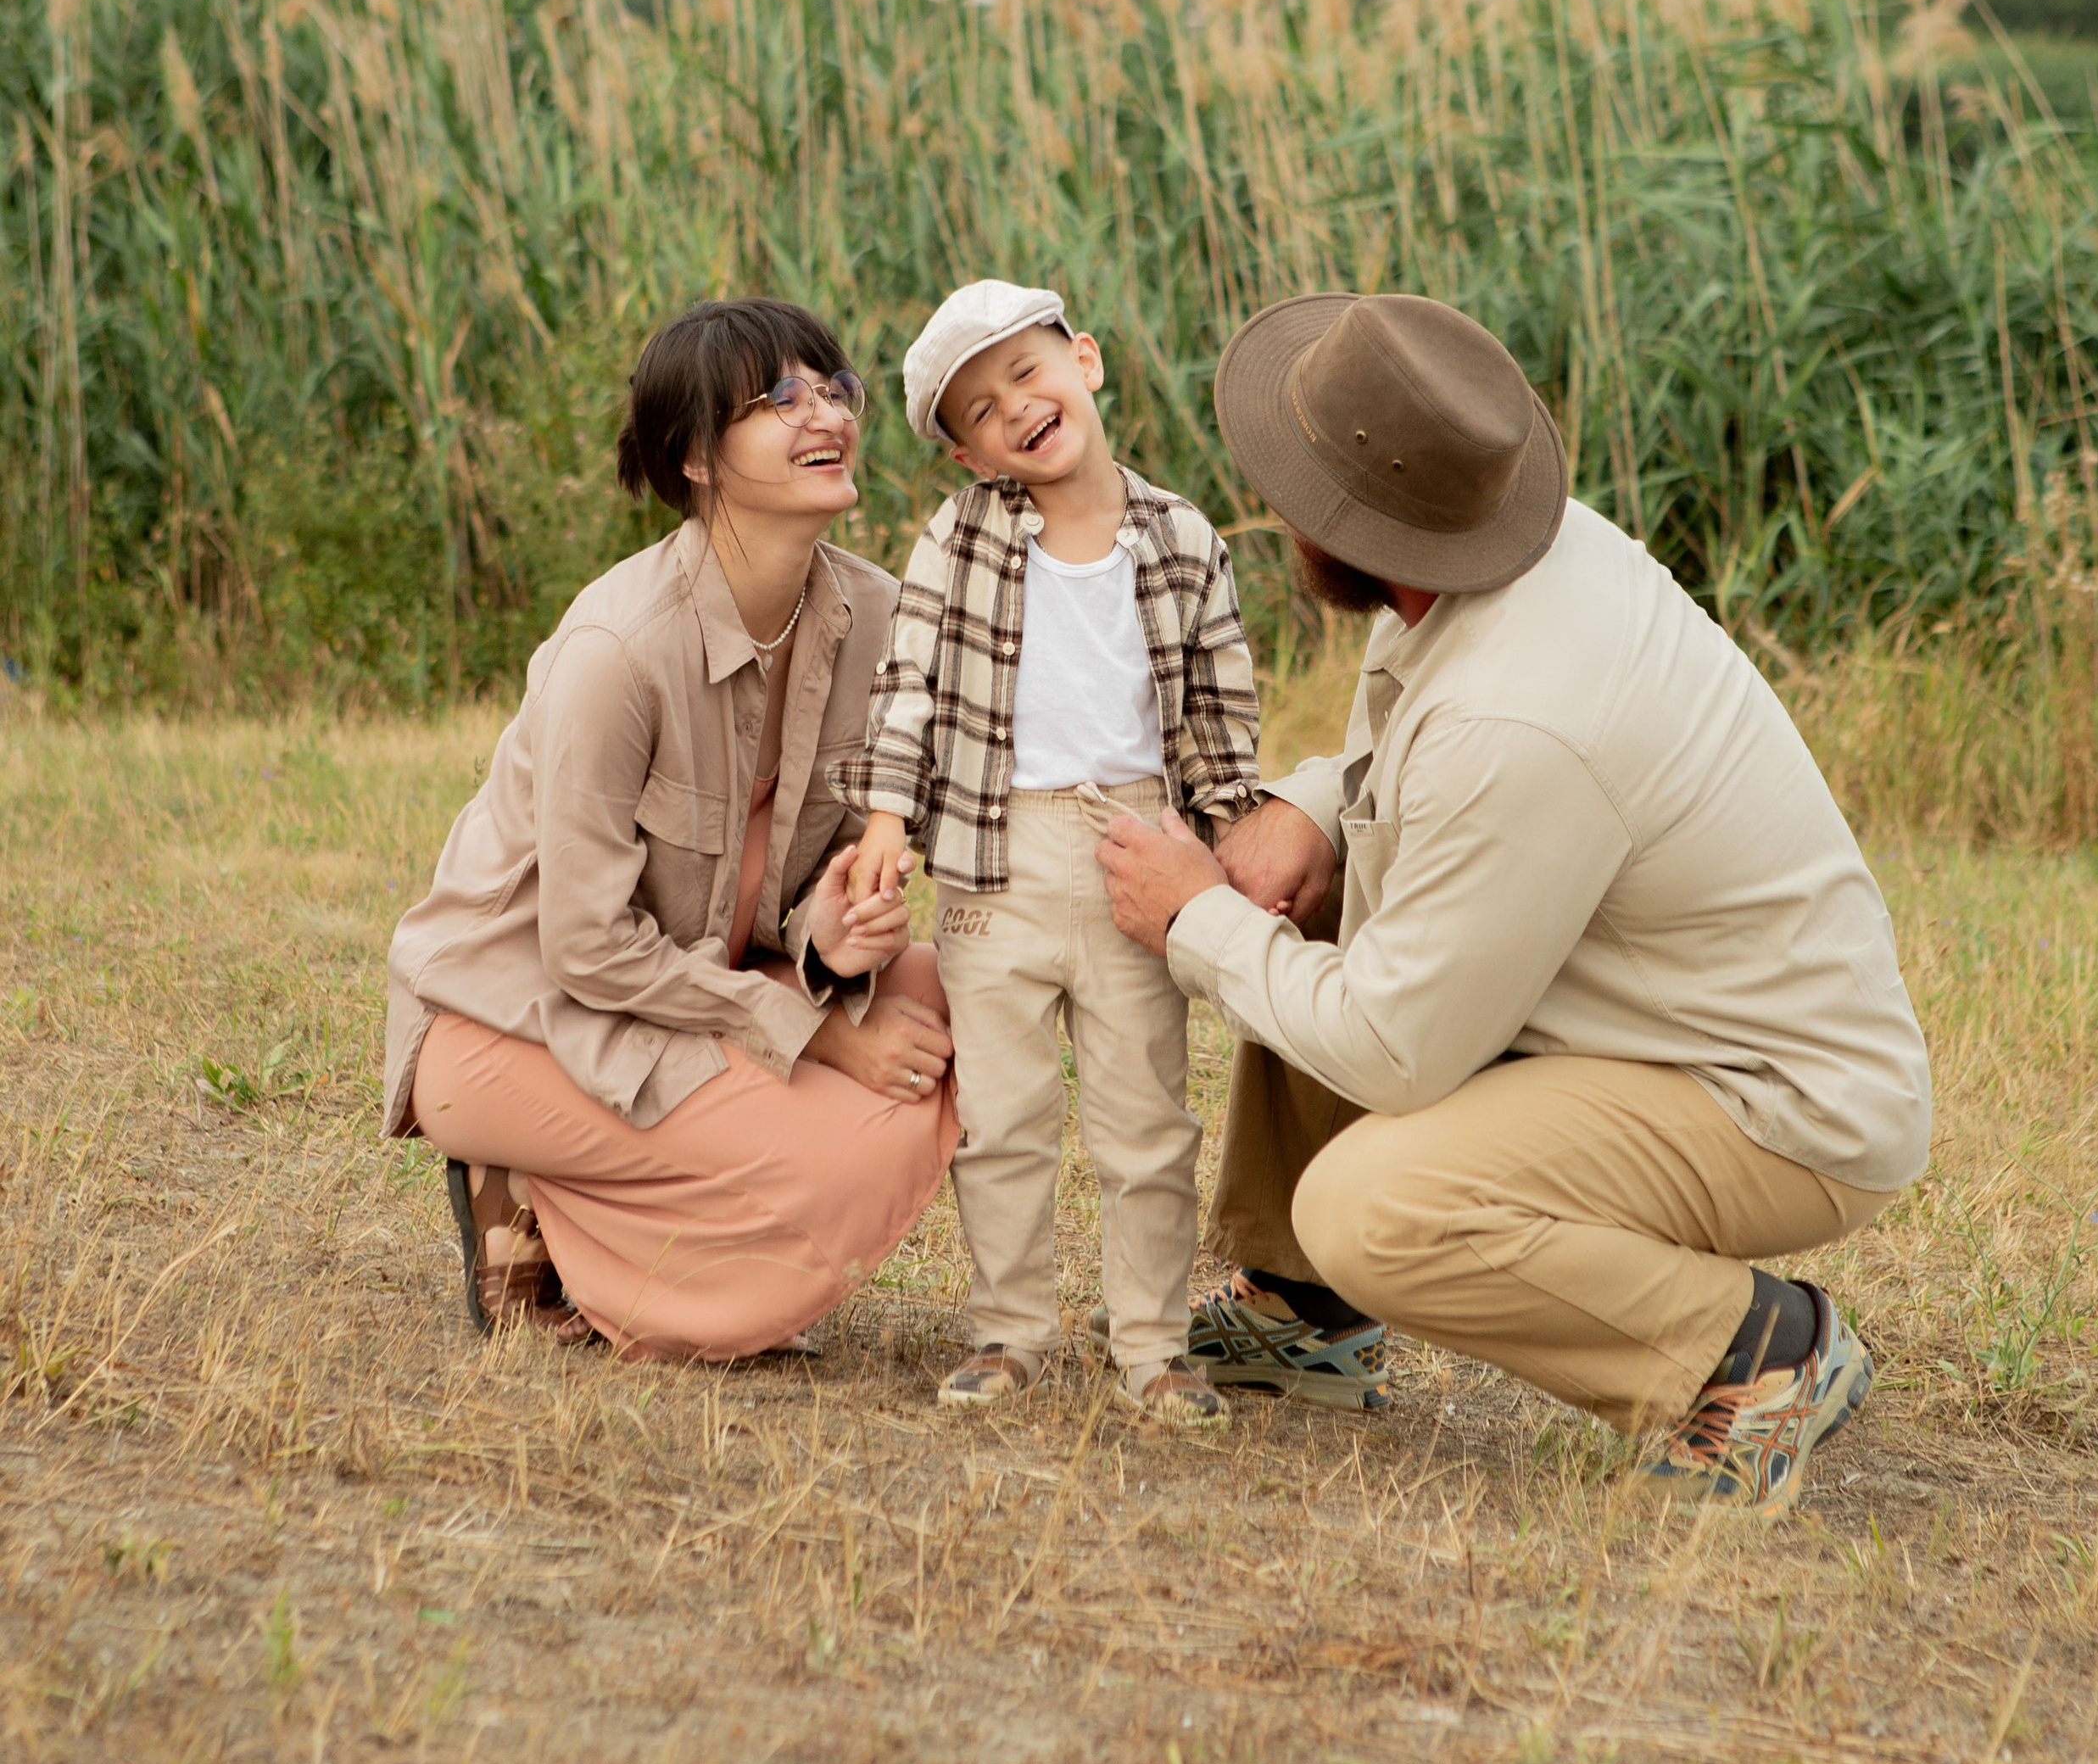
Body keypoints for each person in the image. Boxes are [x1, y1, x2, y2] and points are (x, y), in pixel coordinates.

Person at [1095, 291, 1933, 1517]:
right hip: (1640, 1015)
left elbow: (1397, 1046)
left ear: (1353, 525)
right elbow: (1428, 783)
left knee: (1375, 1208)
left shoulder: (1524, 715)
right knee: (1316, 894)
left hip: (1773, 1101)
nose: (1276, 510)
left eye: (1294, 488)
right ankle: (1307, 1314)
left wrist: (1193, 917)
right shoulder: (1492, 559)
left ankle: (1759, 1352)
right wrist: (1312, 811)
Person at [382, 295, 960, 1359]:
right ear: (695, 454)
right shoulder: (617, 650)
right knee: (816, 1151)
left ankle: (604, 1216)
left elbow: (791, 886)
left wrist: (827, 943)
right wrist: (824, 1035)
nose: (823, 414)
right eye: (780, 398)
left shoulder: (877, 617)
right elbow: (588, 946)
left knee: (957, 994)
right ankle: (531, 1200)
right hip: (517, 1020)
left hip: (701, 982)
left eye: (835, 389)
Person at [840, 281, 1263, 1426]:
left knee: (1146, 1123)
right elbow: (909, 684)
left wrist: (1233, 841)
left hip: (1136, 853)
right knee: (1006, 1120)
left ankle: (1153, 1346)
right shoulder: (961, 540)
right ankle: (1008, 1332)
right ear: (970, 457)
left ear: (1086, 359)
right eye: (980, 410)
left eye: (1027, 373)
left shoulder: (1182, 538)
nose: (1015, 408)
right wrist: (887, 820)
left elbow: (1220, 715)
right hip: (993, 857)